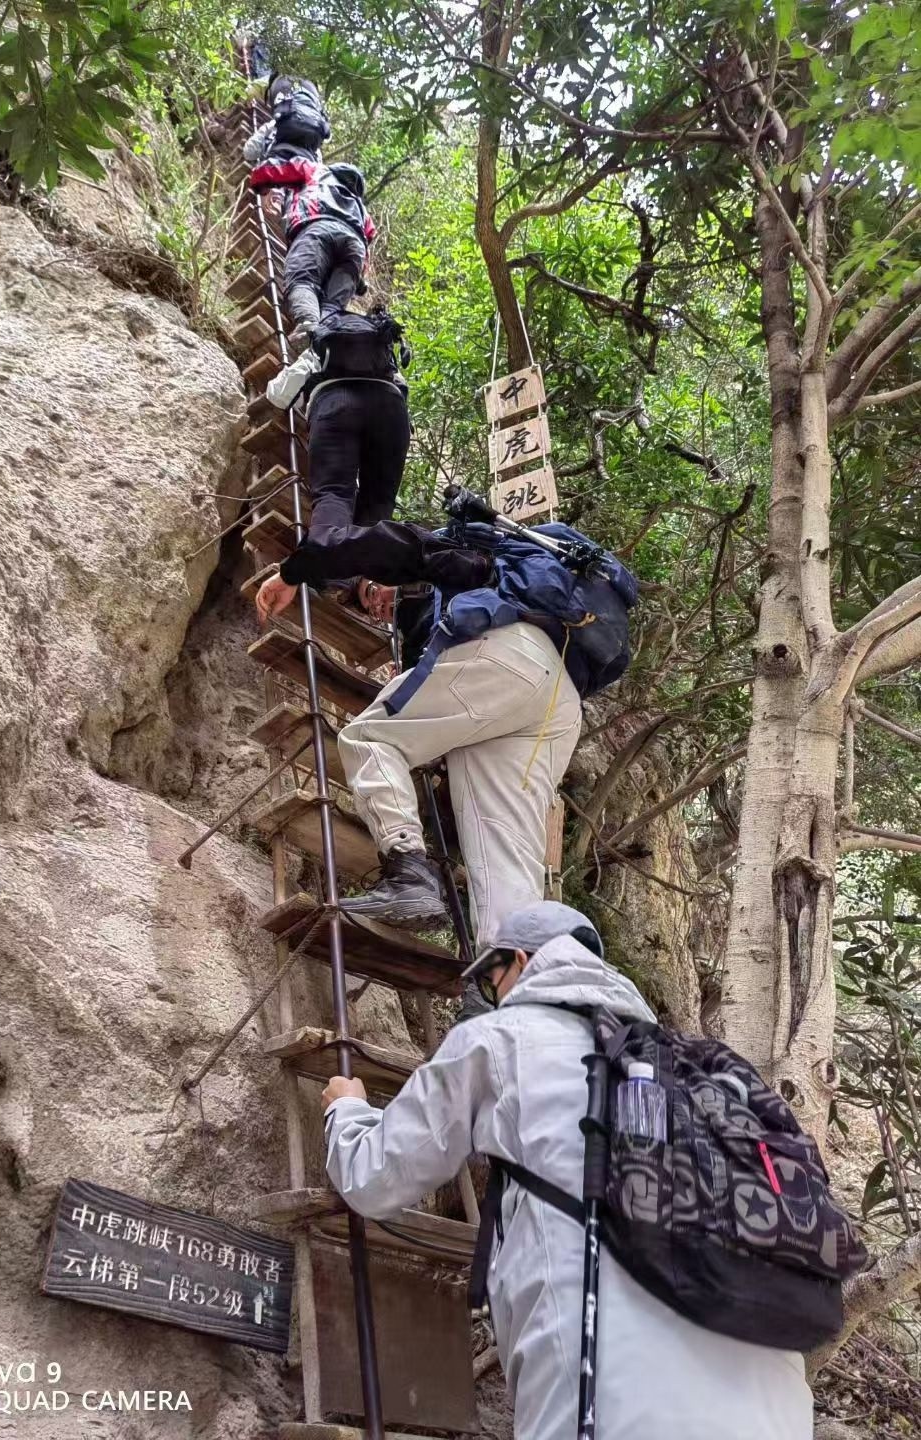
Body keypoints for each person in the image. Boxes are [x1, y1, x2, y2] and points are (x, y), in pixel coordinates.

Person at [321, 901, 815, 1440]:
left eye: (491, 981)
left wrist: (346, 1111)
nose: (494, 997)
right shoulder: (687, 1069)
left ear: (520, 961)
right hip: (772, 1398)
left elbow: (374, 1178)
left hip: (610, 1398)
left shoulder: (500, 1038)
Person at [254, 514, 587, 937]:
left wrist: (293, 572)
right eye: (367, 608)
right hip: (557, 698)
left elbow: (378, 541)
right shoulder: (424, 624)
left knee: (368, 738)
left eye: (371, 589)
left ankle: (409, 869)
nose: (374, 606)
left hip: (507, 655)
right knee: (502, 850)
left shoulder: (437, 554)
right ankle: (509, 984)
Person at [264, 306, 413, 568]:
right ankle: (361, 579)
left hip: (335, 405)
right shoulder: (383, 350)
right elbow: (402, 388)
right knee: (379, 503)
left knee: (334, 494)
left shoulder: (325, 342)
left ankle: (326, 572)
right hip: (391, 409)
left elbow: (278, 396)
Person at [249, 156, 376, 344]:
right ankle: (323, 346)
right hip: (355, 247)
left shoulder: (315, 170)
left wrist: (260, 184)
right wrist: (359, 278)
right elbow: (370, 234)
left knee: (303, 281)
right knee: (333, 305)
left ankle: (308, 331)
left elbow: (274, 170)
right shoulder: (361, 208)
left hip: (317, 230)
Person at [242, 76, 330, 165]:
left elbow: (248, 152)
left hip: (272, 170)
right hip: (306, 172)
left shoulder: (273, 127)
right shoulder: (315, 146)